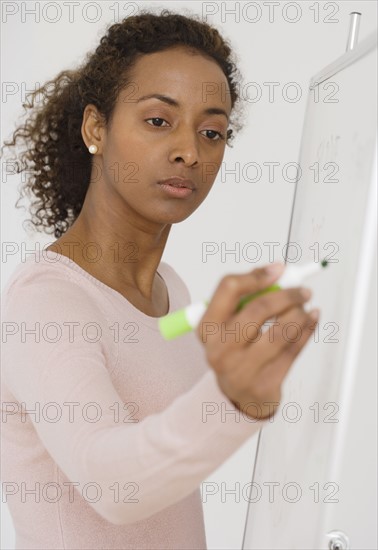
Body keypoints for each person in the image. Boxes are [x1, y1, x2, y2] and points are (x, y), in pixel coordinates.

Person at [1, 9, 319, 550]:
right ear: (96, 128)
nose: (189, 152)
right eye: (157, 121)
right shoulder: (47, 302)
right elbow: (113, 484)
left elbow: (155, 345)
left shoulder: (172, 294)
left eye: (212, 131)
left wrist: (230, 338)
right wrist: (234, 397)